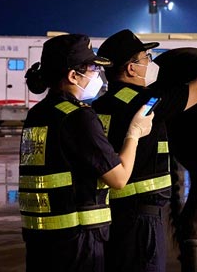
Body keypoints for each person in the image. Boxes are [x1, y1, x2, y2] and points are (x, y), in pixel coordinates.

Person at [92, 27, 197, 272]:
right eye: (146, 58)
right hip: (141, 220)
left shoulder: (100, 105)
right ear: (131, 68)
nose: (151, 61)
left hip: (111, 217)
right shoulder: (146, 103)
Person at [18, 34, 154, 272]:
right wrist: (134, 133)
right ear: (73, 75)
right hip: (77, 245)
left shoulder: (38, 112)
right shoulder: (78, 116)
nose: (97, 77)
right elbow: (119, 178)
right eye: (92, 70)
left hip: (41, 240)